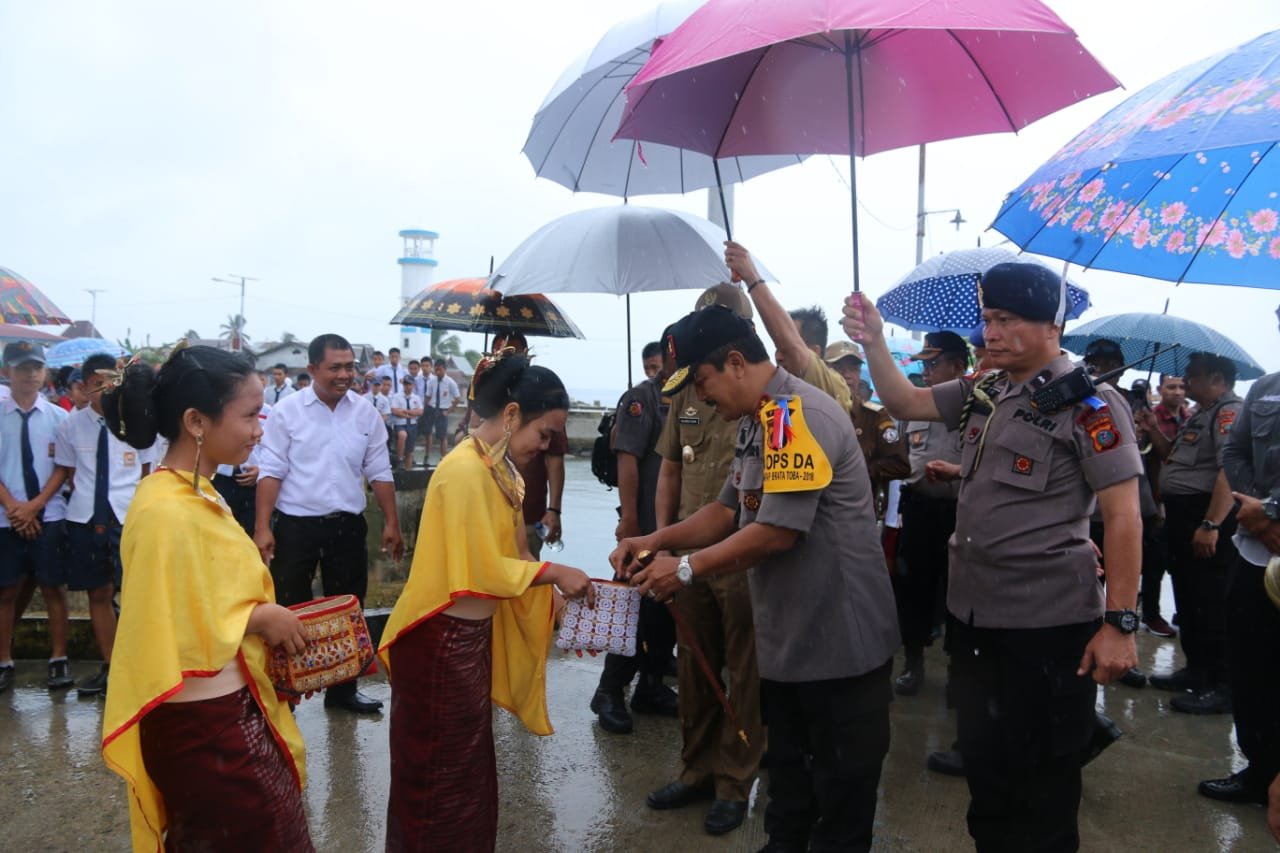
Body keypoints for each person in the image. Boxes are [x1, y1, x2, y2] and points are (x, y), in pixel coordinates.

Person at [843, 261, 1143, 852]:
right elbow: (904, 400)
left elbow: (1126, 516)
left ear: (1050, 325)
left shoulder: (1092, 406)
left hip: (1049, 627)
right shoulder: (988, 389)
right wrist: (875, 340)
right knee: (987, 784)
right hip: (976, 620)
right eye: (987, 320)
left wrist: (1120, 623)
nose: (991, 333)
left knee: (1044, 792)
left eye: (1006, 320)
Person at [620, 305, 900, 852]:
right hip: (792, 644)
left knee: (838, 806)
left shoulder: (796, 415)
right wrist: (655, 540)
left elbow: (776, 532)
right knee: (789, 797)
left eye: (702, 382)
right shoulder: (759, 419)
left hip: (840, 647)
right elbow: (728, 510)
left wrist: (682, 568)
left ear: (735, 362)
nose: (700, 399)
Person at [377, 352, 594, 852]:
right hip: (437, 639)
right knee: (436, 774)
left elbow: (515, 555)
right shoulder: (464, 472)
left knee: (467, 776)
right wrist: (556, 570)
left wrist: (556, 601)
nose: (545, 448)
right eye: (543, 435)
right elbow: (481, 570)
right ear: (513, 414)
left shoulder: (500, 473)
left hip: (465, 640)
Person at [100, 345, 313, 852]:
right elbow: (161, 621)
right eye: (248, 415)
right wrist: (260, 616)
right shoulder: (164, 512)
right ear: (196, 421)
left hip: (228, 708)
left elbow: (201, 595)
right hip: (202, 726)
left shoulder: (197, 492)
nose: (259, 429)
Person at [645, 283, 765, 837]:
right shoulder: (686, 393)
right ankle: (695, 769)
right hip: (688, 552)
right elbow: (670, 467)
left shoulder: (767, 400)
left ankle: (734, 782)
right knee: (693, 664)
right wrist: (661, 541)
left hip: (742, 555)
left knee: (744, 672)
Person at [253, 333, 404, 714]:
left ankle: (342, 692)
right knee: (289, 607)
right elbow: (271, 470)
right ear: (313, 369)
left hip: (347, 526)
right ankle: (285, 693)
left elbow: (380, 470)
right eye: (335, 367)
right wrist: (262, 527)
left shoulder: (365, 413)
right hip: (296, 526)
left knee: (348, 608)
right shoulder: (287, 412)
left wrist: (391, 523)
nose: (344, 374)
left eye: (349, 366)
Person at [1199, 304, 1280, 805]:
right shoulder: (1266, 388)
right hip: (1254, 556)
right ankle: (1259, 770)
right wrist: (1258, 513)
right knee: (1251, 669)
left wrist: (1272, 511)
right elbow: (1234, 453)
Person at [1140, 351, 1242, 714]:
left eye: (1192, 375)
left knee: (1212, 601)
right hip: (1185, 516)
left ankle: (1221, 683)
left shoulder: (1228, 412)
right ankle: (1197, 670)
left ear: (1216, 378)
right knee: (1189, 597)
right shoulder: (1201, 414)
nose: (1186, 380)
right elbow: (1170, 458)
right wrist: (1152, 429)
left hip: (1205, 515)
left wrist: (1211, 524)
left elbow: (1227, 471)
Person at [55, 352, 157, 696]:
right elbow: (68, 473)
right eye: (97, 385)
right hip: (85, 516)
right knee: (97, 593)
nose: (104, 391)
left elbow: (146, 473)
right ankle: (112, 666)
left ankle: (138, 667)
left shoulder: (136, 423)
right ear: (83, 387)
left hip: (127, 516)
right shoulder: (70, 424)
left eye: (111, 383)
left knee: (134, 593)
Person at [589, 341, 679, 735]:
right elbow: (627, 459)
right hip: (644, 524)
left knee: (666, 611)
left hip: (679, 526)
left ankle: (652, 686)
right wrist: (629, 520)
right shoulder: (642, 399)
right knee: (634, 610)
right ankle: (609, 690)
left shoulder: (690, 396)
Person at [891, 331, 969, 697]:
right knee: (914, 588)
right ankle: (913, 662)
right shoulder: (915, 405)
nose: (926, 371)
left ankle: (958, 670)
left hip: (962, 513)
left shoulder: (978, 407)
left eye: (933, 364)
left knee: (959, 593)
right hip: (919, 508)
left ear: (958, 365)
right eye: (923, 364)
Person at [0, 342, 73, 692]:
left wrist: (35, 505)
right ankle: (4, 660)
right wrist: (15, 506)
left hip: (50, 514)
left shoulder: (59, 418)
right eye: (22, 368)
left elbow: (62, 467)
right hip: (5, 516)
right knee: (6, 591)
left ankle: (58, 659)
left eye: (36, 368)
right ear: (6, 373)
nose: (30, 374)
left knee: (53, 589)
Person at [724, 240, 853, 413]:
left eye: (783, 348)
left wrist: (752, 278)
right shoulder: (774, 391)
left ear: (814, 352)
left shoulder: (830, 384)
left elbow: (790, 345)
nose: (778, 355)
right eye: (777, 347)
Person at [823, 340, 910, 509]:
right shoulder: (813, 411)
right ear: (825, 372)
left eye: (853, 369)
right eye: (839, 368)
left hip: (857, 510)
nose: (847, 375)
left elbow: (901, 465)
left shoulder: (874, 416)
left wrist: (861, 471)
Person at [423, 358, 461, 462]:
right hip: (431, 409)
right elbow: (428, 396)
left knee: (442, 436)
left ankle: (443, 458)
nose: (437, 372)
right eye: (436, 370)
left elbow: (457, 399)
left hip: (442, 410)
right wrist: (424, 409)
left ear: (445, 369)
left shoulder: (450, 383)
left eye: (439, 370)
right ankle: (427, 455)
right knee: (428, 433)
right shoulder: (431, 381)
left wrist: (449, 411)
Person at [389, 375, 423, 470]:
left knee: (410, 451)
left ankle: (408, 471)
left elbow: (420, 412)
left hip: (412, 425)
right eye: (406, 384)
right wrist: (411, 413)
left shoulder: (416, 398)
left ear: (413, 385)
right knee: (402, 435)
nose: (407, 386)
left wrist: (405, 411)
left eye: (409, 384)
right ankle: (399, 459)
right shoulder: (396, 396)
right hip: (400, 424)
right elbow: (395, 410)